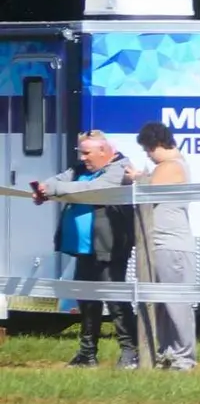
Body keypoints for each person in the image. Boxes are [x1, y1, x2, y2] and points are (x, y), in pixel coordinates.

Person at [33, 131, 138, 368]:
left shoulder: (120, 168)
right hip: (83, 248)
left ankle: (130, 352)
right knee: (86, 300)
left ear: (104, 151)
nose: (83, 158)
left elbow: (96, 189)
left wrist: (58, 189)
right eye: (81, 152)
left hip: (109, 246)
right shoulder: (80, 169)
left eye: (87, 153)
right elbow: (52, 182)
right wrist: (45, 189)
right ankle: (87, 354)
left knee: (115, 299)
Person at [129, 122, 196, 370]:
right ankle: (168, 353)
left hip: (171, 244)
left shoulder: (171, 166)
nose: (147, 154)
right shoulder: (168, 166)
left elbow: (148, 193)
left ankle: (183, 358)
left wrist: (138, 178)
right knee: (163, 304)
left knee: (176, 304)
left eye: (147, 149)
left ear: (156, 144)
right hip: (162, 243)